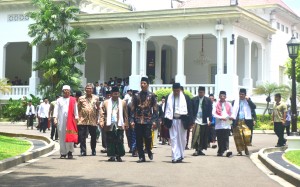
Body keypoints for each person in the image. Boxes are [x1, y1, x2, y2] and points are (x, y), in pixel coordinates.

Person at [130, 77, 158, 163]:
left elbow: (155, 109)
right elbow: (132, 109)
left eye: (144, 83)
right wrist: (131, 120)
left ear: (148, 85)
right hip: (138, 120)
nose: (143, 85)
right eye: (141, 83)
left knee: (148, 137)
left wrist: (154, 120)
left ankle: (149, 150)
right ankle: (141, 156)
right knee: (138, 138)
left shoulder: (152, 95)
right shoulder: (136, 95)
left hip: (148, 120)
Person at [164, 83, 193, 163]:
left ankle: (180, 155)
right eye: (174, 91)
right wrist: (165, 122)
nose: (176, 92)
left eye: (177, 91)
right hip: (172, 120)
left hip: (182, 120)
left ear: (180, 90)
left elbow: (190, 110)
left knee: (182, 139)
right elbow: (166, 110)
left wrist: (191, 122)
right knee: (173, 139)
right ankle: (174, 157)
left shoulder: (186, 98)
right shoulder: (169, 97)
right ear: (172, 90)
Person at [100, 86, 128, 162]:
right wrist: (102, 121)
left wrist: (126, 123)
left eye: (117, 94)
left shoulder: (123, 102)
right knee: (110, 140)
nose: (116, 95)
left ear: (119, 94)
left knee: (119, 140)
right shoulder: (106, 102)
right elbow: (102, 113)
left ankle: (119, 155)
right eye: (114, 94)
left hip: (119, 124)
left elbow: (125, 114)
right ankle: (112, 155)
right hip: (109, 123)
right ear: (111, 94)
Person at [53, 85, 79, 159]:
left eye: (68, 90)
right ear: (62, 91)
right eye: (65, 90)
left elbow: (75, 110)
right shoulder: (59, 100)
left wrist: (76, 118)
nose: (66, 92)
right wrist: (55, 118)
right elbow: (56, 110)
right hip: (61, 121)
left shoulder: (73, 100)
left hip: (71, 121)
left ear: (70, 91)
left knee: (70, 135)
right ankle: (63, 153)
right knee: (62, 136)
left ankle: (70, 152)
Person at [77, 83, 100, 156]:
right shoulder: (81, 98)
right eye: (87, 88)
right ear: (85, 89)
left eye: (90, 88)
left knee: (93, 136)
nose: (89, 90)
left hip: (92, 120)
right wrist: (78, 118)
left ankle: (93, 150)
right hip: (82, 120)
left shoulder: (96, 98)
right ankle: (83, 150)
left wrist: (97, 118)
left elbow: (98, 109)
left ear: (92, 90)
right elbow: (78, 109)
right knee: (82, 136)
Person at [231, 88, 256, 156]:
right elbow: (232, 111)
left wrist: (249, 100)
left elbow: (254, 107)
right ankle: (239, 151)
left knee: (246, 135)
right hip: (237, 121)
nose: (241, 96)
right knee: (238, 137)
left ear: (245, 95)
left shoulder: (248, 101)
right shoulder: (235, 101)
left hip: (246, 121)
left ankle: (245, 147)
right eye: (240, 94)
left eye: (242, 94)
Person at [191, 86, 212, 156]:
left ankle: (200, 149)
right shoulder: (194, 100)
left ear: (204, 93)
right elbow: (191, 111)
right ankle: (196, 149)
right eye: (199, 92)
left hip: (204, 120)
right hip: (196, 120)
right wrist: (192, 120)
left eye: (202, 92)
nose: (201, 94)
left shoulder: (208, 100)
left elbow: (210, 111)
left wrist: (210, 120)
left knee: (203, 136)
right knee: (196, 134)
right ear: (198, 92)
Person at [212, 91, 233, 157]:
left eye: (223, 96)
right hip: (219, 123)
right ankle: (220, 151)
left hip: (227, 123)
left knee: (226, 137)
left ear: (225, 97)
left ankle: (227, 150)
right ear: (219, 96)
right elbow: (213, 113)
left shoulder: (229, 104)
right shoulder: (215, 104)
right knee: (220, 138)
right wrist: (220, 118)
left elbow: (232, 112)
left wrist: (231, 117)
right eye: (221, 96)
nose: (222, 97)